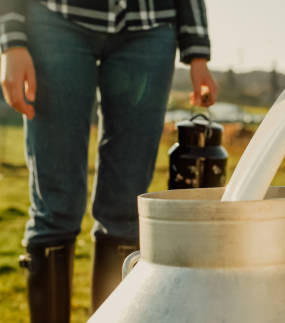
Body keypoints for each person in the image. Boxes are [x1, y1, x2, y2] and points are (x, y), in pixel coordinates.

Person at [0, 0, 218, 321]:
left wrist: (197, 52)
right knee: (54, 207)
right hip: (54, 19)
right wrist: (12, 41)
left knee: (125, 212)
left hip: (149, 26)